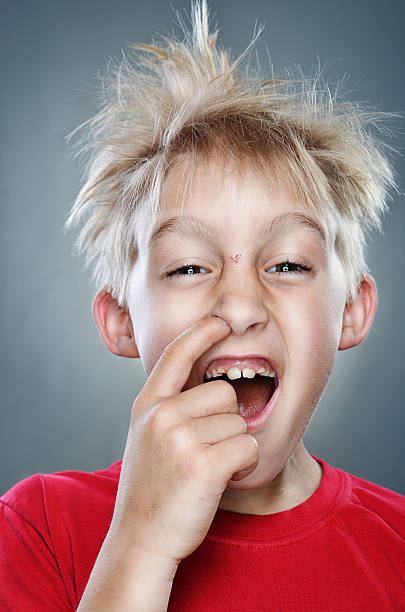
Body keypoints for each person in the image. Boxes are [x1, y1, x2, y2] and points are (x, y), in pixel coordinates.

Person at [1, 1, 404, 610]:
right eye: (189, 267)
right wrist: (142, 545)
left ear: (351, 310)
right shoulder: (37, 527)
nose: (240, 306)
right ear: (121, 320)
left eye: (288, 265)